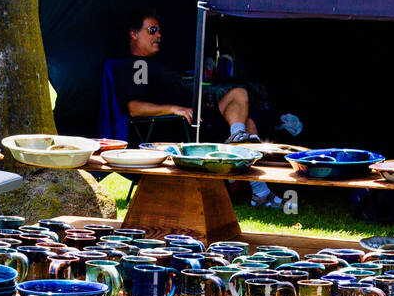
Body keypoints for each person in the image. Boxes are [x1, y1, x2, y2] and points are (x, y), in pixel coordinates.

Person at [118, 11, 280, 207]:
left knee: (240, 97)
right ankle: (260, 191)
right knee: (244, 111)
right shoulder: (139, 66)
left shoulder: (153, 64)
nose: (158, 35)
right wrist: (174, 109)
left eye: (159, 31)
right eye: (152, 31)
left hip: (196, 120)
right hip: (179, 127)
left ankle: (242, 149)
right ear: (134, 34)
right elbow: (134, 108)